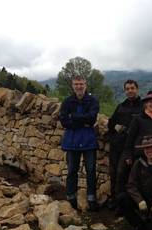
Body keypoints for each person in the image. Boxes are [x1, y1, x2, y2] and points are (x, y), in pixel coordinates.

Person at [58, 75, 99, 211]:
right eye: (76, 84)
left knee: (91, 170)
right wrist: (83, 121)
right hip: (72, 141)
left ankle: (92, 198)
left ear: (85, 85)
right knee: (72, 171)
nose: (79, 86)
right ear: (72, 85)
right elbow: (64, 121)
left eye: (81, 84)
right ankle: (71, 198)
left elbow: (92, 118)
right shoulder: (67, 101)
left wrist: (73, 117)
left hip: (89, 140)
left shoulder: (93, 100)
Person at [107, 79, 141, 210]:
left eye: (132, 88)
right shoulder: (121, 106)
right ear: (125, 90)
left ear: (137, 89)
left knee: (123, 174)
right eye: (127, 88)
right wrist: (115, 126)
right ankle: (115, 201)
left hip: (131, 147)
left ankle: (123, 205)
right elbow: (110, 122)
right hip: (116, 145)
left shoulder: (142, 107)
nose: (130, 90)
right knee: (114, 173)